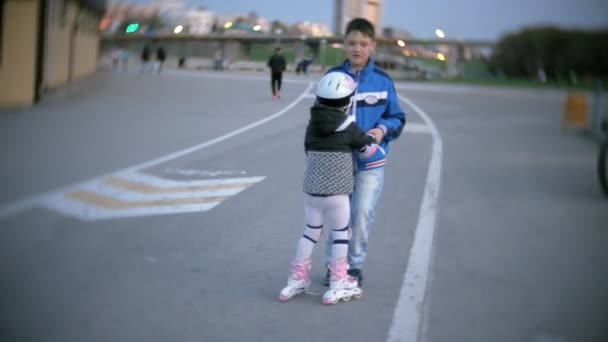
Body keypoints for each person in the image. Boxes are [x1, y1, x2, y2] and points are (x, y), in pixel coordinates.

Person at [278, 72, 378, 305]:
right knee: (341, 234)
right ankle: (338, 281)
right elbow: (367, 150)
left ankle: (296, 279)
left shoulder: (312, 125)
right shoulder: (349, 125)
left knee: (311, 231)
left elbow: (307, 150)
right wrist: (371, 142)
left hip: (312, 192)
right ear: (348, 102)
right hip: (338, 194)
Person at [322, 18, 406, 288]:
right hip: (338, 161)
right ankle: (334, 266)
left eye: (363, 44)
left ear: (372, 46)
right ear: (344, 45)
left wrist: (382, 130)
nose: (357, 48)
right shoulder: (333, 77)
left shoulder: (382, 81)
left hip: (370, 161)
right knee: (338, 217)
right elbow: (319, 117)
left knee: (361, 214)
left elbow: (397, 117)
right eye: (351, 43)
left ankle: (354, 266)